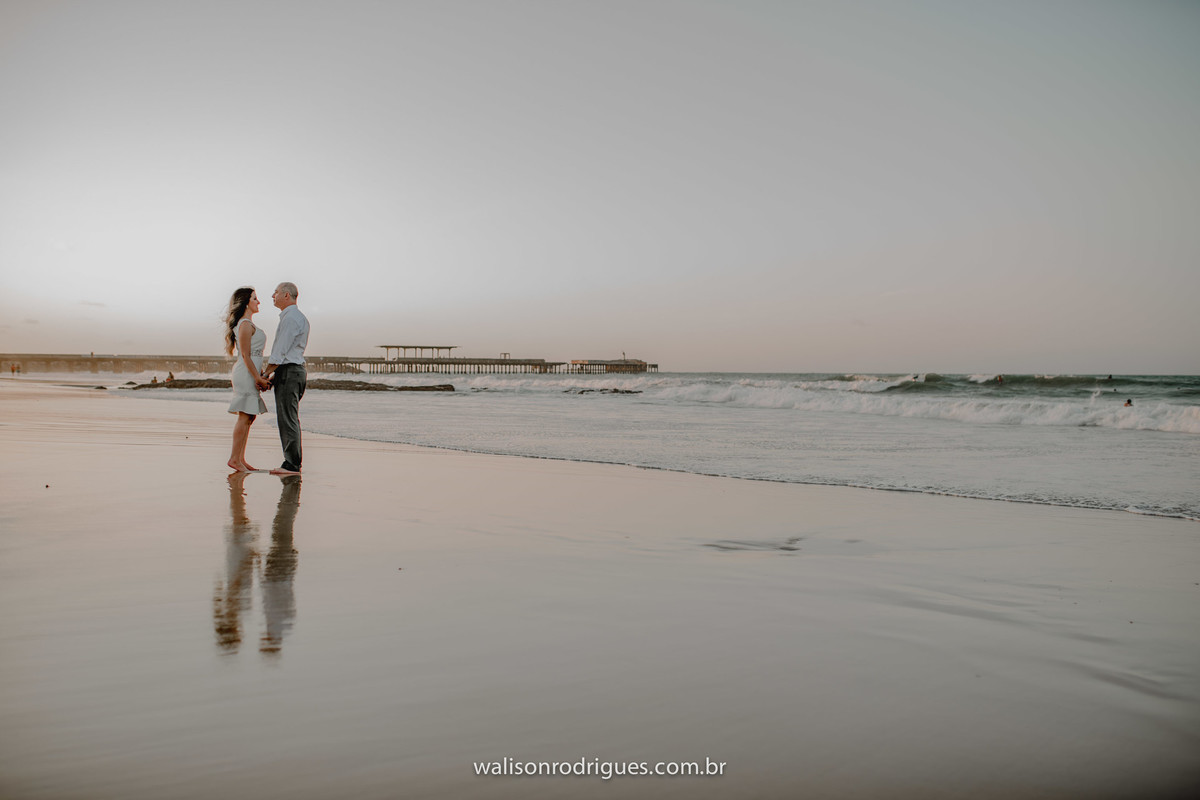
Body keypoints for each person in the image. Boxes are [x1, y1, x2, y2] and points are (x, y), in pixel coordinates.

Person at [262, 282, 310, 475]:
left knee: (287, 418)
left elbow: (280, 352)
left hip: (290, 372)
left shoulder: (291, 318)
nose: (272, 296)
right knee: (289, 417)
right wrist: (274, 375)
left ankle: (292, 464)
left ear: (287, 295)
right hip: (292, 370)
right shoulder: (297, 317)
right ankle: (292, 461)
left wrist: (265, 375)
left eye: (275, 292)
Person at [225, 287, 271, 472]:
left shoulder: (248, 323)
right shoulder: (244, 324)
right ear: (246, 302)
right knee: (244, 416)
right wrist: (256, 378)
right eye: (255, 298)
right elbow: (245, 354)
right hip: (245, 373)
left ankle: (240, 459)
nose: (258, 302)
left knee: (249, 416)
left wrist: (260, 374)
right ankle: (234, 459)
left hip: (250, 371)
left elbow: (254, 354)